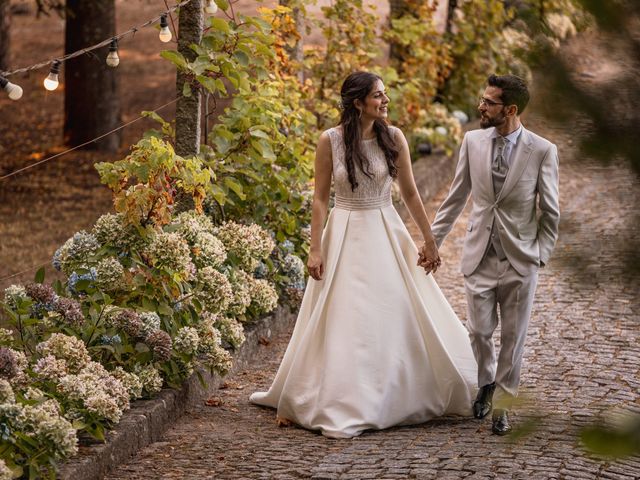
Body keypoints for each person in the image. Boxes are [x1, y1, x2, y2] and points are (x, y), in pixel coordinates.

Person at [250, 71, 477, 439]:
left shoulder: (395, 138)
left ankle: (394, 391)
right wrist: (315, 247)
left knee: (393, 311)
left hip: (385, 228)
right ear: (357, 103)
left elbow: (411, 193)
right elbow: (321, 198)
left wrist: (430, 240)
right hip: (345, 232)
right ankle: (347, 399)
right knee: (348, 316)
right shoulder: (331, 141)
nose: (385, 101)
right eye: (377, 95)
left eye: (385, 94)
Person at [427, 74, 560, 435]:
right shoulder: (472, 141)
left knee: (513, 338)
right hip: (479, 253)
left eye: (489, 102)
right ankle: (486, 381)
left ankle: (503, 402)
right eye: (482, 100)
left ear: (511, 109)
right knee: (479, 331)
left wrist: (539, 255)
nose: (480, 106)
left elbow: (550, 210)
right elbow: (455, 198)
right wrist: (432, 241)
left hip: (521, 258)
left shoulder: (543, 150)